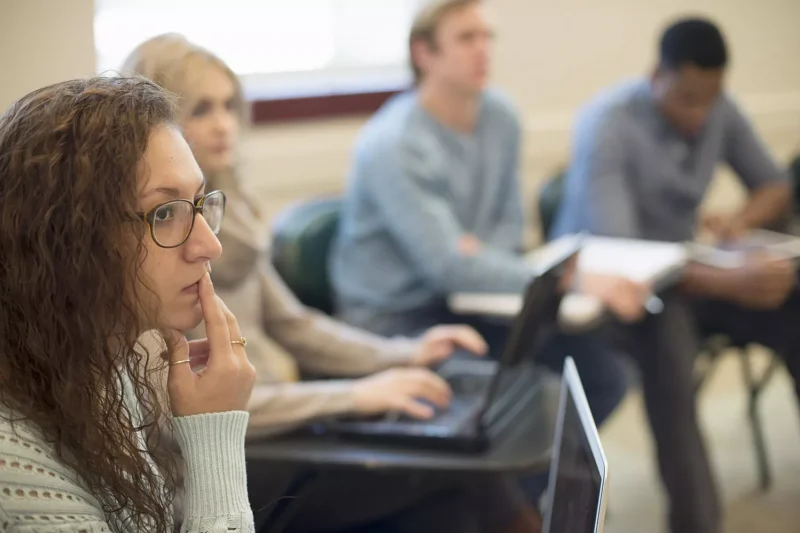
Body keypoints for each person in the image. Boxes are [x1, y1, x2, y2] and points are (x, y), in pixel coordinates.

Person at [121, 34, 542, 533]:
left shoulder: (231, 220)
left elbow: (296, 325)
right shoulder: (149, 249)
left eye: (230, 106)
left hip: (283, 420)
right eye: (203, 109)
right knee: (453, 478)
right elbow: (196, 403)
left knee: (454, 456)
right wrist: (357, 395)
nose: (224, 124)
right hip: (230, 451)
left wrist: (404, 353)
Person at [329, 0, 642, 435]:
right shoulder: (394, 143)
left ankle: (536, 498)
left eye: (487, 37)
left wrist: (470, 253)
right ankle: (515, 503)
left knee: (602, 374)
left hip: (477, 297)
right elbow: (447, 266)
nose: (483, 50)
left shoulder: (501, 116)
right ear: (424, 54)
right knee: (499, 401)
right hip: (399, 316)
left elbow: (510, 228)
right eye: (465, 38)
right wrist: (571, 278)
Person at [551, 17, 800, 533]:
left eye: (710, 98)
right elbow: (624, 258)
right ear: (655, 76)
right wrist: (731, 279)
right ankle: (697, 523)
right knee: (669, 349)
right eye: (687, 98)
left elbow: (775, 186)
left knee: (792, 303)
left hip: (688, 273)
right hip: (615, 294)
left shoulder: (716, 106)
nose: (699, 114)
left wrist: (740, 221)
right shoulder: (608, 123)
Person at [0, 76, 256, 531]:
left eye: (198, 203)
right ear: (72, 241)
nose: (208, 246)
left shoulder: (99, 363)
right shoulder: (14, 467)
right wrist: (215, 432)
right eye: (164, 213)